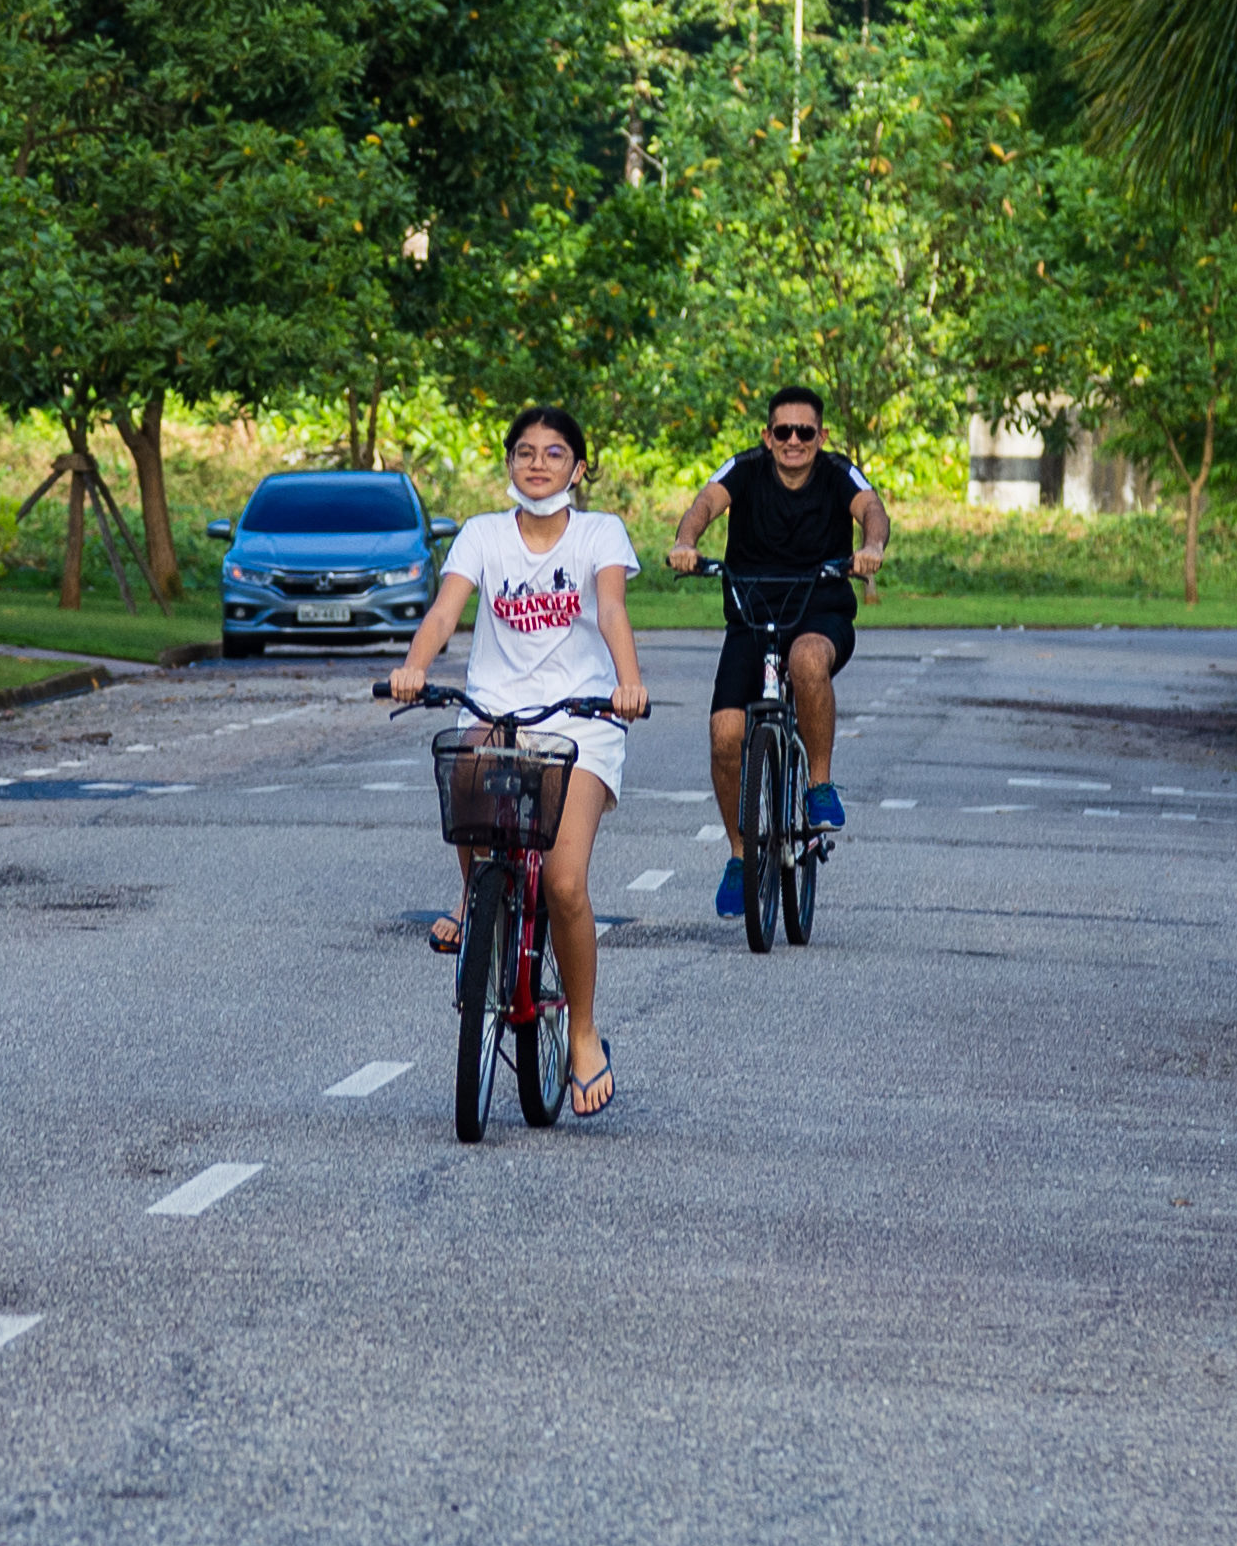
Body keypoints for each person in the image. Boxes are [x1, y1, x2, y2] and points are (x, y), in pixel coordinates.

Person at [382, 405, 651, 1119]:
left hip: (581, 722)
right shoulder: (481, 535)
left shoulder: (601, 532)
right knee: (463, 786)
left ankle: (585, 1031)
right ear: (509, 463)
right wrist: (414, 666)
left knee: (564, 884)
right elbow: (445, 613)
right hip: (495, 711)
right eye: (525, 452)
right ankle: (478, 897)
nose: (538, 464)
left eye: (555, 453)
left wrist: (627, 682)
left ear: (579, 467)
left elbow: (613, 608)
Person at [664, 384, 893, 918]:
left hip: (820, 608)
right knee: (726, 734)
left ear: (821, 436)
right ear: (767, 437)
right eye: (783, 431)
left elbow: (872, 509)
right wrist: (685, 543)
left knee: (807, 662)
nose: (794, 440)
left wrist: (872, 548)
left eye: (805, 431)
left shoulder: (838, 473)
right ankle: (742, 855)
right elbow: (704, 504)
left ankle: (818, 783)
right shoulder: (744, 469)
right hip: (751, 612)